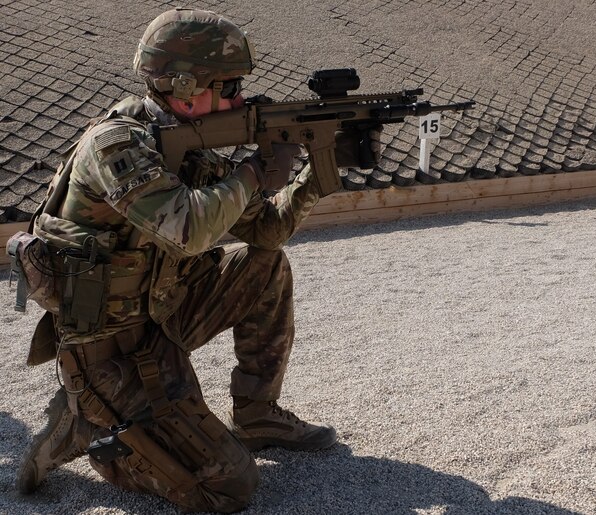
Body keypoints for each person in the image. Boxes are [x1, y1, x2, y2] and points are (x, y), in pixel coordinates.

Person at [14, 7, 376, 512]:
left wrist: (321, 169)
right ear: (183, 86)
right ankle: (90, 430)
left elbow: (268, 232)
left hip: (164, 313)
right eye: (228, 87)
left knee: (263, 265)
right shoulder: (117, 145)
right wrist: (254, 172)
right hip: (111, 347)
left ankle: (257, 413)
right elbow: (187, 228)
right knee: (228, 488)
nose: (240, 99)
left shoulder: (196, 149)